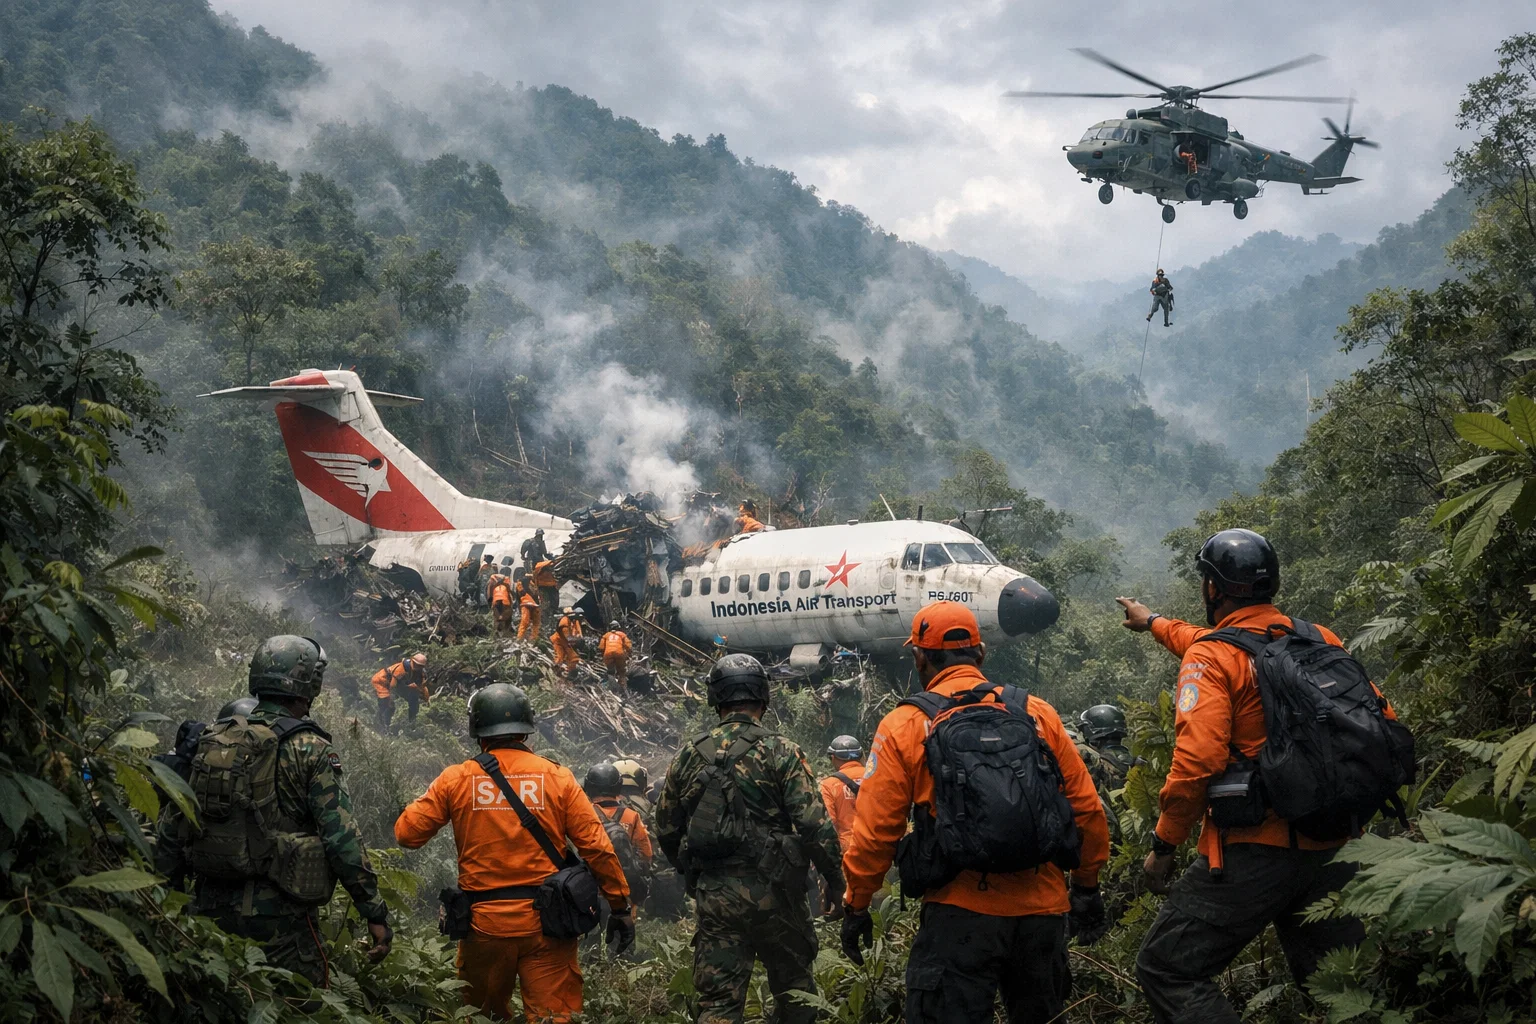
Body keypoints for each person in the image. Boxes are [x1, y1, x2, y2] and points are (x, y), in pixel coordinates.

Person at [1117, 528, 1401, 1024]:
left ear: (1212, 588)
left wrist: (1164, 845)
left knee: (1167, 968)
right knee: (1338, 988)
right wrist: (1155, 622)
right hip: (1336, 840)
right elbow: (1384, 718)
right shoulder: (1320, 639)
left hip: (1253, 849)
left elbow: (1197, 761)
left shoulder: (1213, 657)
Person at [840, 602, 1109, 1024]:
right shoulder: (1036, 712)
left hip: (958, 915)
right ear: (981, 654)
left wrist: (857, 905)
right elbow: (1087, 810)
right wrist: (1087, 887)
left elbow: (875, 833)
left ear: (919, 658)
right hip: (1042, 911)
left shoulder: (904, 724)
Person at [157, 635, 392, 986]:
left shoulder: (214, 739)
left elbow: (173, 825)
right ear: (310, 683)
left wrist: (168, 901)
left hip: (208, 907)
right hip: (281, 917)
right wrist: (374, 912)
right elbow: (342, 838)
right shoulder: (310, 748)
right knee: (297, 1000)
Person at [396, 684, 633, 1022]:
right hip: (548, 925)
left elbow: (407, 834)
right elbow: (597, 848)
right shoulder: (557, 777)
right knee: (554, 1017)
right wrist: (620, 908)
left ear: (476, 728)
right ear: (526, 727)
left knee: (483, 1017)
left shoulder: (456, 779)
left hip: (483, 926)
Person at [655, 654, 844, 1024]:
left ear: (716, 699)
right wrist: (835, 880)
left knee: (718, 1005)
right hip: (778, 893)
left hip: (717, 896)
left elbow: (665, 827)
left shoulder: (689, 754)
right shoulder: (781, 749)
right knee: (796, 994)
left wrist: (695, 871)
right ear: (763, 697)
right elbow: (813, 825)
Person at [585, 763, 654, 903]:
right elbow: (646, 854)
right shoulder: (632, 816)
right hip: (624, 889)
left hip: (591, 888)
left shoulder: (583, 814)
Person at [819, 735, 864, 850]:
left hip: (849, 849)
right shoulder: (878, 778)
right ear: (860, 755)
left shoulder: (829, 785)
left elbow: (828, 823)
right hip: (879, 847)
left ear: (833, 757)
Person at [371, 653, 429, 731]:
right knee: (387, 703)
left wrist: (426, 699)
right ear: (412, 661)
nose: (417, 667)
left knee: (414, 700)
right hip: (382, 681)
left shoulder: (421, 674)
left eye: (420, 666)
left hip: (400, 685)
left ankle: (412, 724)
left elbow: (422, 687)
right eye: (416, 664)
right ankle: (381, 725)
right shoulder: (401, 669)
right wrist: (391, 699)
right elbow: (392, 686)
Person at [599, 621, 634, 690]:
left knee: (610, 670)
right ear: (618, 627)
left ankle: (610, 687)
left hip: (608, 654)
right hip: (619, 654)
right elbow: (628, 646)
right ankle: (622, 688)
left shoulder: (606, 635)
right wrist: (629, 653)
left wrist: (603, 654)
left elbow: (601, 647)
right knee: (621, 672)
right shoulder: (622, 635)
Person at [552, 608, 583, 678]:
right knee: (560, 658)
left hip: (565, 643)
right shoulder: (564, 622)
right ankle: (555, 674)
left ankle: (569, 674)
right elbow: (567, 637)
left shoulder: (571, 621)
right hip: (559, 642)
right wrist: (577, 640)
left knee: (573, 658)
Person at [532, 559, 560, 633]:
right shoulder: (541, 569)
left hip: (549, 586)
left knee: (551, 601)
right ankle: (546, 619)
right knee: (546, 603)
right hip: (545, 587)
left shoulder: (543, 570)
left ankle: (552, 612)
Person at [488, 572, 516, 637]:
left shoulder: (493, 586)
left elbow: (490, 597)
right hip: (505, 602)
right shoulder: (506, 586)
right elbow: (510, 596)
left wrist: (492, 605)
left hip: (496, 602)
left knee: (497, 617)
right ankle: (507, 629)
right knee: (508, 615)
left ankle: (497, 631)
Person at [516, 578, 541, 642]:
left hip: (527, 604)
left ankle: (520, 638)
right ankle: (533, 638)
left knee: (525, 622)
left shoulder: (520, 583)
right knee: (534, 623)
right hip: (532, 604)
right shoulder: (533, 583)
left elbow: (519, 596)